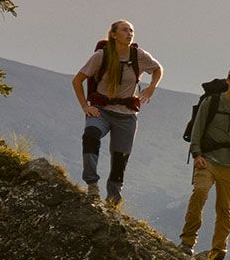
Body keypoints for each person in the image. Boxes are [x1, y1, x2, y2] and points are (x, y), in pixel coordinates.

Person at [69, 20, 162, 209]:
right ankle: (92, 184)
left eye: (132, 30)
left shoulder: (139, 55)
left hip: (127, 115)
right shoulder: (101, 56)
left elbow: (158, 69)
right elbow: (77, 80)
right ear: (113, 34)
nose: (129, 33)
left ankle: (113, 199)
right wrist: (85, 106)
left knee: (120, 157)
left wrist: (152, 87)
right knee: (90, 136)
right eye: (125, 30)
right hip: (101, 110)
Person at [180, 64, 230, 260]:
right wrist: (196, 153)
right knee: (199, 193)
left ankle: (218, 253)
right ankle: (187, 243)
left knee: (225, 210)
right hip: (207, 159)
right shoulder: (211, 102)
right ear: (228, 81)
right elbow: (197, 129)